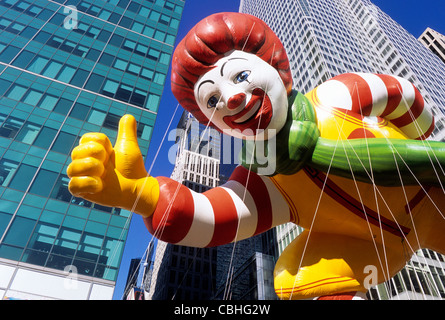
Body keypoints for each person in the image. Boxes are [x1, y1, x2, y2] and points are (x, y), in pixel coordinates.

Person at [67, 12, 445, 299]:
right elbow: (211, 218)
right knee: (290, 278)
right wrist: (142, 195)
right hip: (369, 251)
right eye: (212, 100)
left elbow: (401, 94)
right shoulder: (262, 177)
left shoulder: (336, 97)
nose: (231, 99)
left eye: (240, 77)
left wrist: (425, 147)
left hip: (431, 199)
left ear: (275, 66)